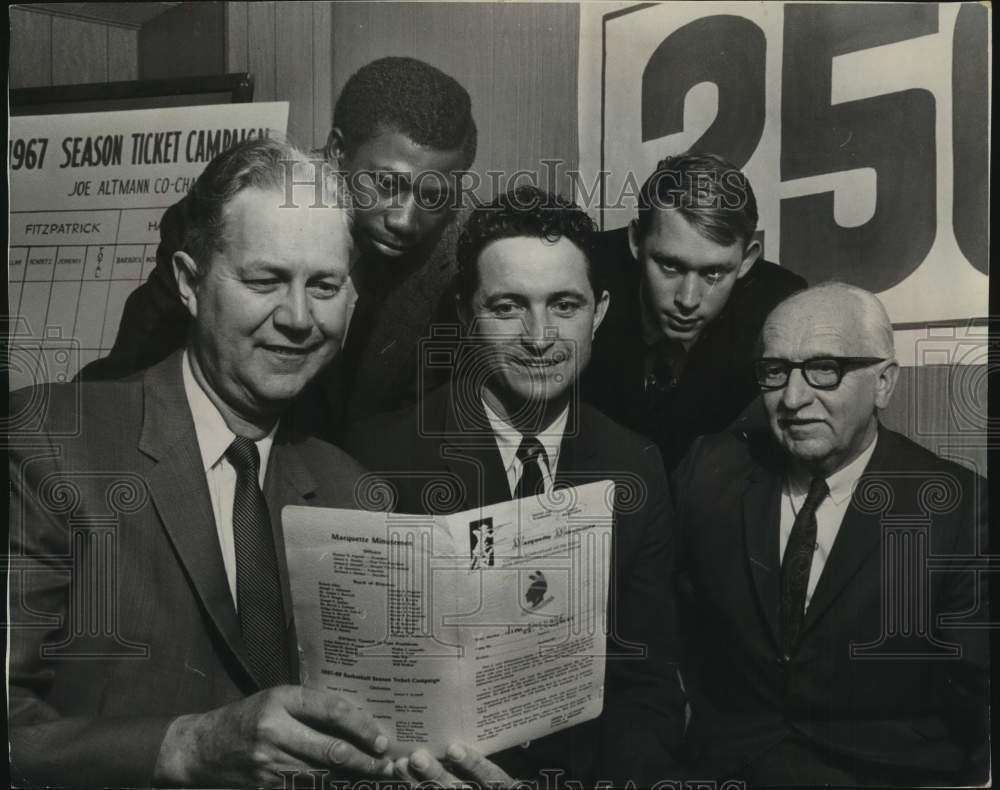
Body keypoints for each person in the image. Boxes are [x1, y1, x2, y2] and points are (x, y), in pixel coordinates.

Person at [8, 139, 396, 787]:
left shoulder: (357, 495)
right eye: (265, 280)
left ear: (352, 300)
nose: (298, 318)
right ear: (189, 284)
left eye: (323, 285)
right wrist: (182, 747)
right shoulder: (48, 444)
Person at [344, 186, 685, 786]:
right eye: (507, 307)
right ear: (465, 311)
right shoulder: (378, 460)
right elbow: (362, 686)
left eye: (564, 305)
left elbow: (645, 686)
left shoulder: (636, 465)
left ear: (599, 312)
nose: (538, 336)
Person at [671, 283, 989, 786]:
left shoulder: (961, 508)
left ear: (883, 383)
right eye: (775, 371)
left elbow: (975, 703)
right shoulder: (708, 470)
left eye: (826, 369)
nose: (793, 398)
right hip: (727, 770)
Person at [78, 56, 477, 436]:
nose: (404, 221)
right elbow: (128, 378)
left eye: (433, 197)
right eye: (388, 185)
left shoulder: (456, 261)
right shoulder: (233, 210)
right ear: (338, 152)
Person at [583, 152, 807, 470]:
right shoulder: (581, 274)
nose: (688, 300)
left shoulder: (779, 305)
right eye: (670, 266)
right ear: (635, 241)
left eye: (713, 273)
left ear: (747, 260)